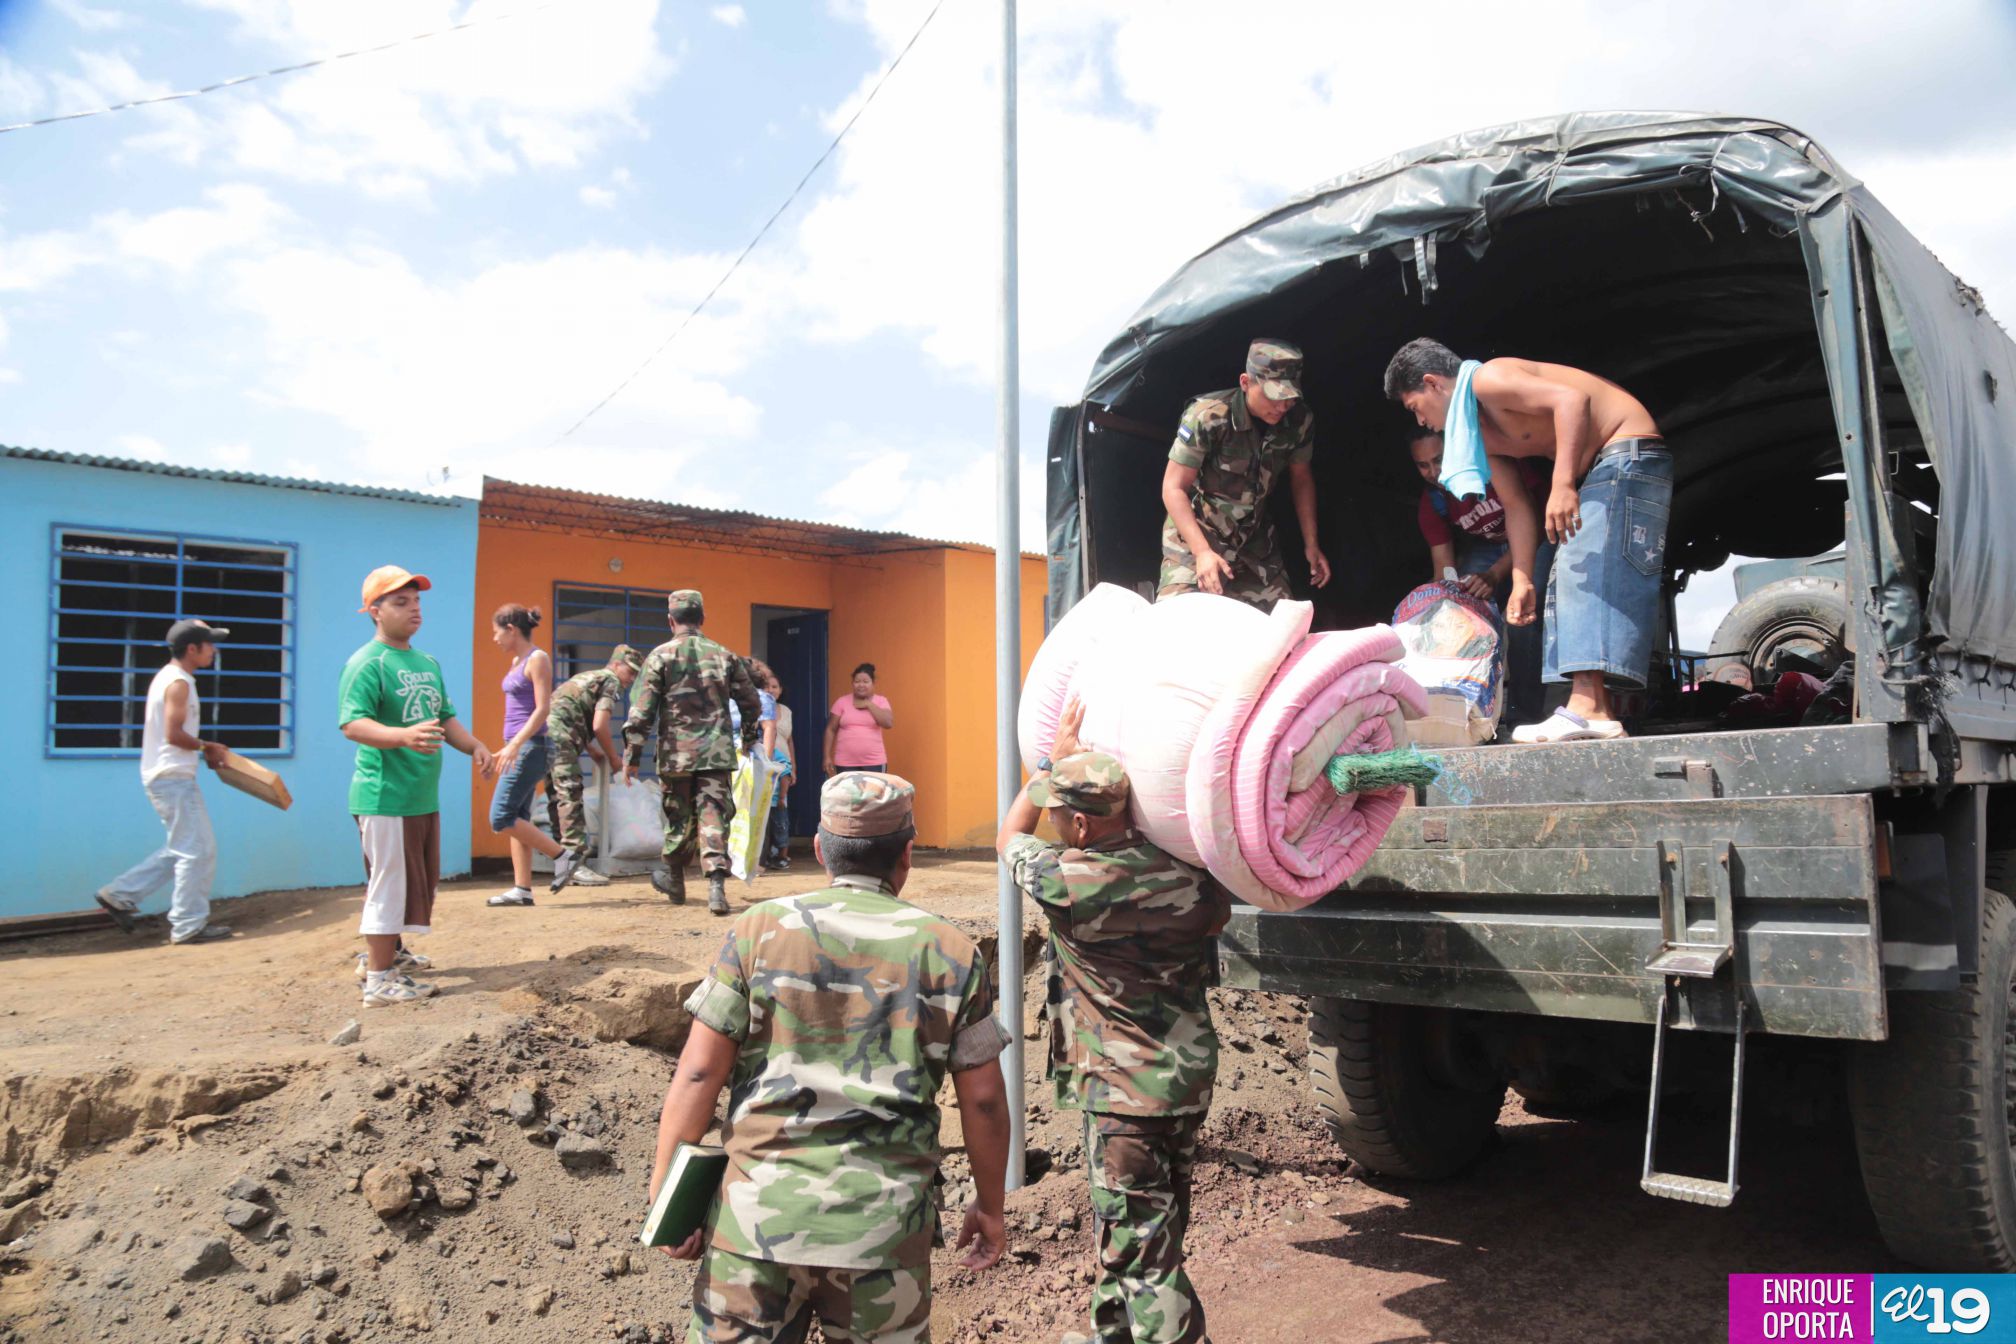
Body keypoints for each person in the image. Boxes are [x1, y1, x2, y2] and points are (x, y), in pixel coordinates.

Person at [649, 771, 1012, 1342]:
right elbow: (984, 1100)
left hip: (755, 1227)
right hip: (884, 1237)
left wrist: (665, 1194)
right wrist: (990, 1206)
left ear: (820, 848)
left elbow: (699, 1071)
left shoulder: (756, 930)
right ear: (907, 854)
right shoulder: (951, 951)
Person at [998, 700, 1231, 1344]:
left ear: (1078, 824)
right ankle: (1112, 1335)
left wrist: (1047, 766)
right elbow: (1219, 909)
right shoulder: (1192, 881)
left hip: (1121, 1095)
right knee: (1140, 1230)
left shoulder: (1067, 882)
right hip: (1184, 1083)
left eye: (1059, 814)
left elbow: (1008, 837)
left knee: (1146, 1254)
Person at [1385, 337, 1671, 742]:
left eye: (1415, 407)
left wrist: (1563, 483)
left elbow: (1571, 400)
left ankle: (1588, 709)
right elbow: (1516, 504)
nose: (1420, 420)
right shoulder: (1477, 435)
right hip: (1606, 463)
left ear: (1433, 383)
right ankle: (1594, 708)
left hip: (1626, 450)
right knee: (1563, 576)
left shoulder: (1487, 379)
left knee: (1584, 569)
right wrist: (1521, 578)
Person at [339, 565, 494, 1006]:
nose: (414, 609)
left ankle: (393, 955)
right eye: (401, 602)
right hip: (385, 795)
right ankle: (378, 979)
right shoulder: (367, 662)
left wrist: (474, 746)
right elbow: (352, 724)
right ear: (375, 611)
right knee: (389, 884)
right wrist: (401, 736)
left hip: (419, 795)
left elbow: (445, 718)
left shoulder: (426, 663)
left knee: (411, 882)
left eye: (417, 601)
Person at [1157, 337, 1332, 608]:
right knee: (1178, 619)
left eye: (1289, 397)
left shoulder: (1299, 421)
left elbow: (1301, 479)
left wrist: (1311, 544)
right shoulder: (1207, 416)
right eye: (1274, 395)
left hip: (1254, 544)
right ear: (1245, 382)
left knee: (1285, 625)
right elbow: (1173, 487)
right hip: (1198, 536)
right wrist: (1202, 552)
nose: (1282, 406)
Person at [94, 619, 235, 944]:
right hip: (172, 777)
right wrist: (207, 746)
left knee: (183, 847)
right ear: (192, 649)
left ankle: (120, 894)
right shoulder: (178, 683)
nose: (214, 650)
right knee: (197, 850)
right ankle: (188, 926)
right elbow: (173, 734)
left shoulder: (171, 678)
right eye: (209, 644)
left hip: (166, 776)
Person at [622, 589, 760, 916]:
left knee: (678, 816)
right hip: (716, 753)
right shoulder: (725, 655)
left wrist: (632, 756)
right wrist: (748, 737)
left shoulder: (659, 656)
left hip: (676, 755)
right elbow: (752, 702)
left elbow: (642, 712)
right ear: (702, 619)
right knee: (714, 814)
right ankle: (716, 888)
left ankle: (675, 880)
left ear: (671, 621)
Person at [1408, 427, 1555, 730]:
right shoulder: (1434, 500)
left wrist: (1495, 575)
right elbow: (1444, 570)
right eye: (1423, 465)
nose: (1434, 472)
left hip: (1539, 534)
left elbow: (1532, 525)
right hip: (1486, 548)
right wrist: (1436, 608)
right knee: (1461, 610)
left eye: (1439, 460)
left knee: (1524, 614)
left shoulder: (1494, 467)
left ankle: (1525, 714)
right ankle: (1468, 713)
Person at [484, 604, 585, 907]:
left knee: (500, 817)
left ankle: (564, 856)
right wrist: (508, 746)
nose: (494, 639)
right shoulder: (517, 660)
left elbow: (542, 709)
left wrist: (515, 745)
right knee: (518, 818)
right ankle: (522, 890)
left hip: (532, 747)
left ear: (511, 629)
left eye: (497, 632)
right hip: (519, 746)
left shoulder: (537, 658)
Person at [542, 644, 644, 888]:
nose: (631, 679)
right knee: (570, 796)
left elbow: (572, 713)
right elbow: (599, 725)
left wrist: (591, 750)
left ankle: (561, 861)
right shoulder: (610, 681)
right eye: (630, 672)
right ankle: (574, 864)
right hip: (561, 739)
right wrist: (614, 759)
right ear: (616, 665)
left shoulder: (587, 677)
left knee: (556, 797)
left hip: (544, 737)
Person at [823, 662, 892, 775]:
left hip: (874, 762)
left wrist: (869, 704)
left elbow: (888, 723)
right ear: (852, 683)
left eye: (865, 681)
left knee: (874, 788)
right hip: (845, 762)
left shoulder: (881, 701)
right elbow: (830, 729)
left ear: (873, 683)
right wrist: (827, 757)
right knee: (847, 788)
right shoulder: (842, 702)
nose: (861, 685)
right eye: (857, 681)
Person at [759, 670, 795, 871]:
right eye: (767, 686)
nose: (771, 690)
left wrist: (793, 767)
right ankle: (765, 854)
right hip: (763, 763)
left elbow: (789, 740)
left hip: (782, 766)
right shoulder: (757, 708)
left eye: (775, 686)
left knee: (780, 813)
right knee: (763, 814)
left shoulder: (786, 711)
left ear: (781, 690)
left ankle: (780, 854)